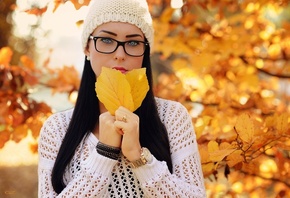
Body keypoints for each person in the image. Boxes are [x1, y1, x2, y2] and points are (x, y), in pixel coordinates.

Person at [38, 0, 206, 197]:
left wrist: (139, 158)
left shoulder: (172, 117)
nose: (119, 54)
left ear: (145, 51)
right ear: (87, 48)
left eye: (133, 42)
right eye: (107, 40)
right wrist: (104, 153)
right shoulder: (56, 129)